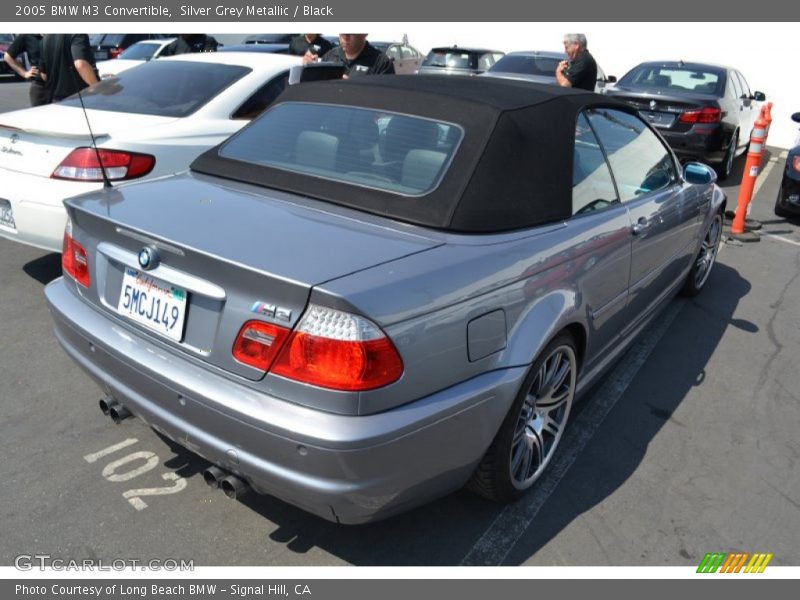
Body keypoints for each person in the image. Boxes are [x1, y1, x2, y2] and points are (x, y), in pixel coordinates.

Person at [39, 34, 98, 102]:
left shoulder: (45, 39)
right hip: (79, 98)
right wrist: (97, 87)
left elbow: (44, 75)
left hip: (55, 99)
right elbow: (80, 64)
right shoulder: (77, 34)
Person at [303, 34, 394, 77]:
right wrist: (310, 69)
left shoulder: (381, 63)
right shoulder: (330, 56)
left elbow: (385, 99)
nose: (345, 37)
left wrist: (351, 89)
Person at [3, 34, 50, 106]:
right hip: (40, 87)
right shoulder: (27, 36)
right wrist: (24, 73)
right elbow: (8, 57)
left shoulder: (57, 35)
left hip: (60, 85)